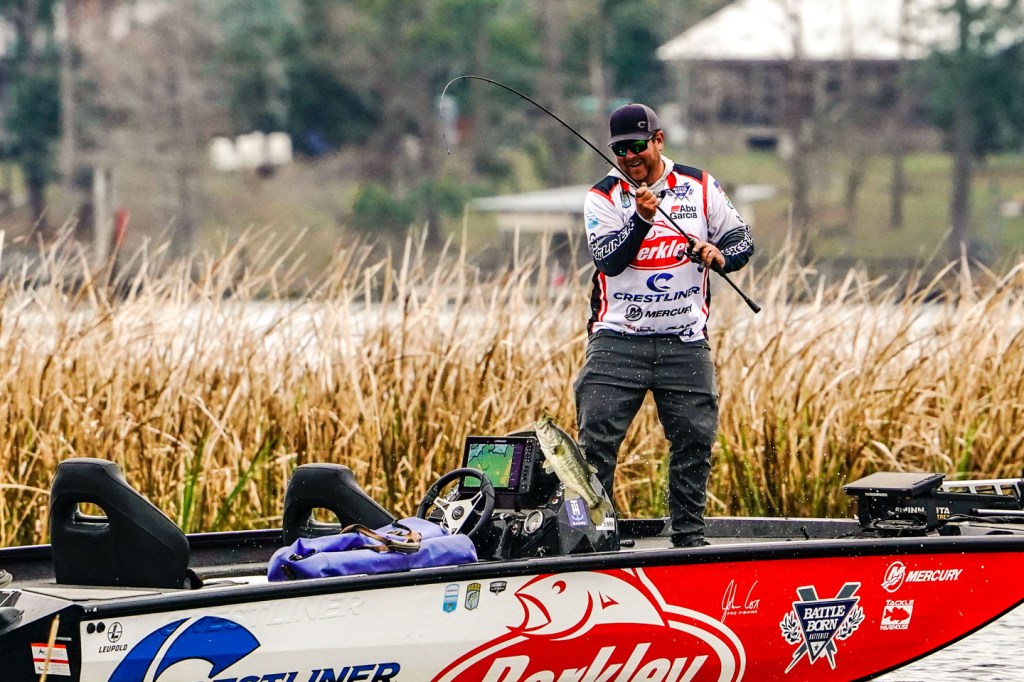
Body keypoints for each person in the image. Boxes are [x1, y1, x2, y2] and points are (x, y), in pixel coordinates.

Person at [574, 102, 754, 548]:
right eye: (620, 150)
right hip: (617, 341)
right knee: (596, 444)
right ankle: (598, 539)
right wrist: (641, 219)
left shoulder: (700, 185)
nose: (629, 157)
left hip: (685, 342)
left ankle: (689, 537)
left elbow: (742, 239)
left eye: (637, 146)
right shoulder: (603, 196)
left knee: (695, 439)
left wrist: (720, 253)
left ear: (658, 140)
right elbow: (609, 261)